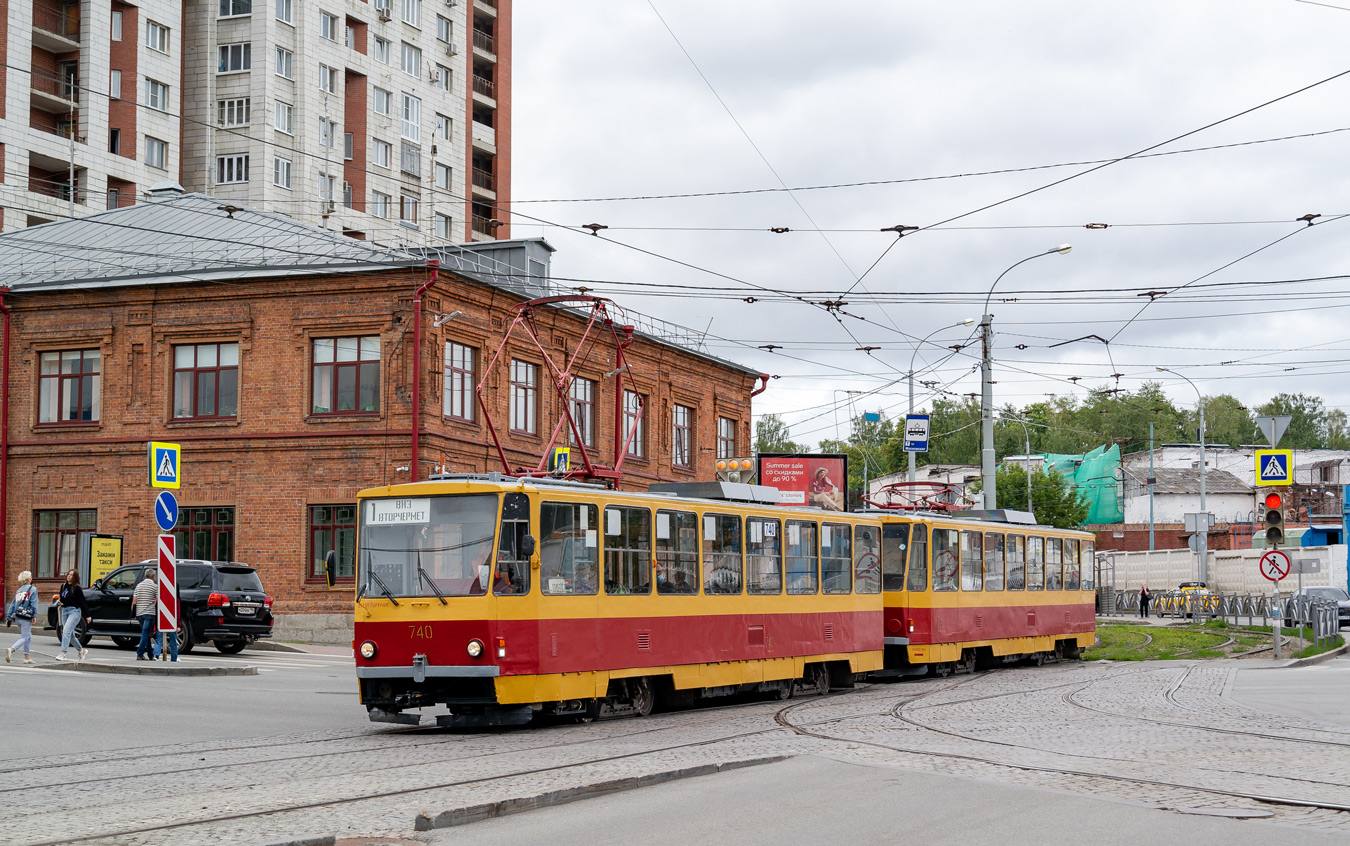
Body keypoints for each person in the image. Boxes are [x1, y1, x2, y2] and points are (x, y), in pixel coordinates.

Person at [53, 568, 91, 661]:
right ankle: (81, 650)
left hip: (74, 611)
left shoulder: (77, 588)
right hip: (64, 611)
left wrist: (87, 615)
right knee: (70, 634)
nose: (69, 576)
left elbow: (83, 602)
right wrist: (60, 602)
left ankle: (63, 654)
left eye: (71, 575)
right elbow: (63, 598)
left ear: (75, 577)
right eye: (68, 574)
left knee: (66, 631)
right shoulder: (63, 586)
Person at [5, 570, 38, 665]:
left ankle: (27, 657)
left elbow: (12, 604)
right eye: (30, 577)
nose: (31, 578)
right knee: (25, 636)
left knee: (28, 636)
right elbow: (33, 603)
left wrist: (9, 617)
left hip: (17, 616)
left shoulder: (19, 590)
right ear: (28, 579)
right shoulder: (33, 589)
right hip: (26, 616)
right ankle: (11, 649)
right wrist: (34, 615)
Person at [132, 568, 158, 661]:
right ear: (153, 576)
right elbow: (158, 599)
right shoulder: (155, 586)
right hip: (149, 613)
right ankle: (140, 653)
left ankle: (150, 655)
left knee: (145, 634)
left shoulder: (138, 586)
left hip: (139, 613)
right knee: (145, 633)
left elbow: (134, 600)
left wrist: (133, 613)